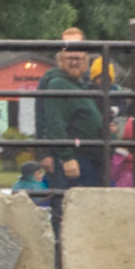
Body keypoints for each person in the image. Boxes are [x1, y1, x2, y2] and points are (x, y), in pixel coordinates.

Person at [36, 29, 112, 188]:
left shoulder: (79, 84)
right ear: (60, 58)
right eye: (70, 56)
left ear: (85, 59)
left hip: (90, 159)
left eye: (78, 57)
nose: (74, 61)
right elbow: (50, 121)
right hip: (75, 160)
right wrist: (61, 156)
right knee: (68, 205)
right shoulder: (56, 83)